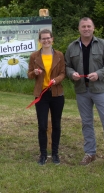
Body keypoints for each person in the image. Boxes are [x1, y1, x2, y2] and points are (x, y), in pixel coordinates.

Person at [65, 17, 104, 171]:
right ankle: (90, 153)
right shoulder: (72, 47)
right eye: (83, 26)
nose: (86, 29)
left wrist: (99, 74)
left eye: (89, 26)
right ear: (79, 29)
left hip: (100, 90)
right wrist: (72, 74)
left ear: (93, 28)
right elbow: (67, 66)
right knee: (86, 123)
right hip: (81, 91)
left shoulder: (103, 44)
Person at [27, 29, 66, 166]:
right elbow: (29, 74)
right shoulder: (34, 56)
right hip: (41, 94)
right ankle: (43, 155)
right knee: (42, 125)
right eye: (43, 39)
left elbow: (63, 73)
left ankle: (55, 154)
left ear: (52, 39)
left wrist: (57, 80)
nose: (46, 41)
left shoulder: (60, 55)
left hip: (56, 93)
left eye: (48, 38)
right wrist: (35, 72)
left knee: (56, 125)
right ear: (40, 41)